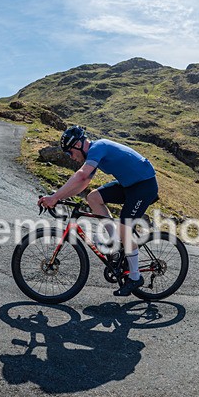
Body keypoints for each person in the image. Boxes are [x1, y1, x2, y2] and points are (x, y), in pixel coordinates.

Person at [38, 125, 159, 297]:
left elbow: (81, 176)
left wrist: (55, 197)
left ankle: (135, 277)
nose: (70, 157)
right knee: (93, 198)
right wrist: (58, 197)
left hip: (144, 185)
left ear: (78, 145)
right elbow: (83, 183)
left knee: (125, 226)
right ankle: (115, 242)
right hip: (129, 185)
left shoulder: (98, 147)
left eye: (69, 152)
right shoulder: (95, 154)